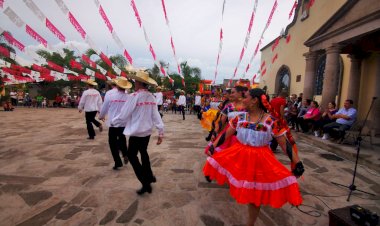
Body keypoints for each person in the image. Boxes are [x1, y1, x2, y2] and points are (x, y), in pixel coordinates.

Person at [203, 88, 304, 226]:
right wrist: (213, 146)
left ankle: (250, 223)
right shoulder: (240, 118)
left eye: (246, 97)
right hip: (239, 155)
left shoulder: (271, 121)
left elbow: (284, 144)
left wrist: (297, 162)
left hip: (260, 160)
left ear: (255, 100)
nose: (243, 99)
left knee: (255, 195)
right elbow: (226, 134)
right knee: (244, 188)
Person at [112, 69, 164, 195]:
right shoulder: (151, 97)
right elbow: (156, 115)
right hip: (146, 131)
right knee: (143, 152)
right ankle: (149, 176)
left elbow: (124, 114)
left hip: (136, 132)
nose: (134, 83)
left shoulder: (134, 96)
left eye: (135, 81)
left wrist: (113, 122)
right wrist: (160, 131)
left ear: (139, 83)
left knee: (132, 155)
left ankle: (145, 181)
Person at [99, 78, 132, 170]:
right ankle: (125, 154)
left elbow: (105, 107)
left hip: (113, 122)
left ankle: (118, 162)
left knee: (112, 143)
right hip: (123, 122)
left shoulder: (110, 95)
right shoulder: (128, 97)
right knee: (122, 139)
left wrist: (101, 116)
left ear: (117, 85)